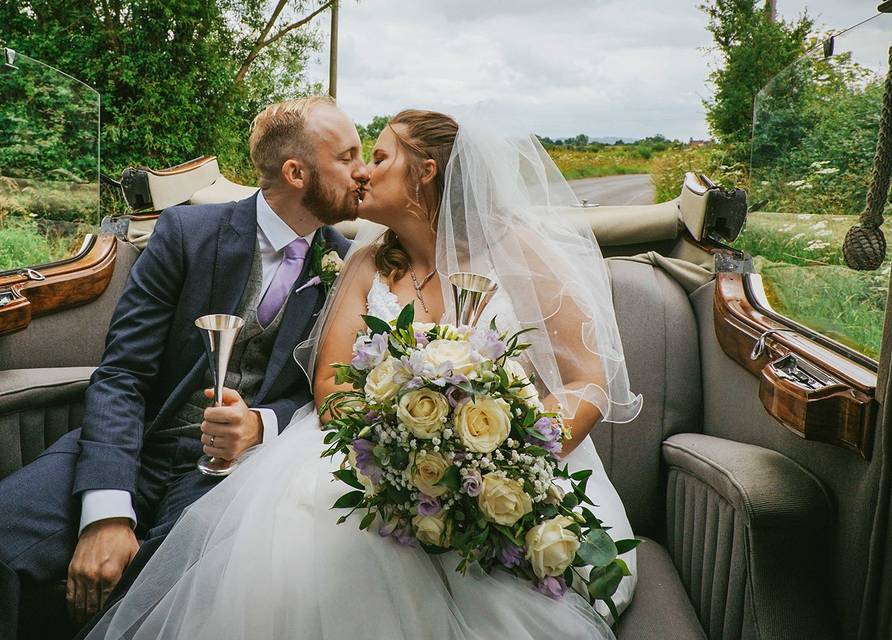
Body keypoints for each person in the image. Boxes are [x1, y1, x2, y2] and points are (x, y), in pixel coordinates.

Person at [85, 109, 644, 639]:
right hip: (376, 457)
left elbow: (586, 380)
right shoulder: (365, 259)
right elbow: (330, 384)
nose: (362, 172)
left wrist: (507, 458)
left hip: (517, 462)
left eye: (378, 157)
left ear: (425, 172)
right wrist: (401, 457)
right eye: (356, 157)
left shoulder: (521, 253)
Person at [0, 95, 368, 638]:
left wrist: (259, 424)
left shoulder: (347, 265)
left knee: (161, 596)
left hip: (236, 477)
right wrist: (105, 510)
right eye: (349, 155)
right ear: (296, 172)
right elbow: (122, 373)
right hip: (136, 442)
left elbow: (320, 395)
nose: (363, 171)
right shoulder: (186, 234)